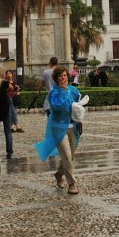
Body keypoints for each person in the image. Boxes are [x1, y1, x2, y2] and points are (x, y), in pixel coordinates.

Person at [35, 65, 82, 194]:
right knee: (66, 156)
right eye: (60, 76)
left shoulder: (74, 91)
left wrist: (80, 116)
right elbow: (59, 107)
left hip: (73, 127)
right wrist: (62, 91)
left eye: (65, 75)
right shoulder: (53, 93)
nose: (63, 78)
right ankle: (72, 184)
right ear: (56, 78)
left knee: (70, 157)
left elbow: (78, 105)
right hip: (59, 128)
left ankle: (58, 174)